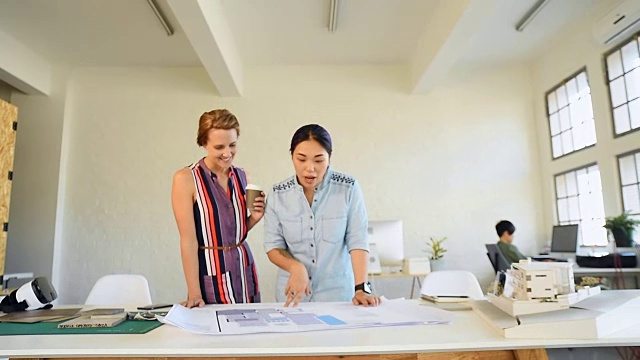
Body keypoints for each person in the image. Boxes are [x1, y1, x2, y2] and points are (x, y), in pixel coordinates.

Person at [264, 124, 380, 308]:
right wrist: (296, 267)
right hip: (293, 298)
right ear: (292, 156)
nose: (310, 169)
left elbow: (358, 240)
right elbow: (273, 246)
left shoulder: (348, 188)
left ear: (329, 158)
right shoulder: (278, 194)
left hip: (338, 296)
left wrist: (362, 288)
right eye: (301, 159)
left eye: (319, 160)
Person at [171, 109, 264, 308]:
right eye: (219, 147)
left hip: (243, 267)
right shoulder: (186, 179)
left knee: (251, 330)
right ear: (204, 144)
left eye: (232, 145)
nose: (227, 153)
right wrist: (194, 292)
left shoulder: (243, 176)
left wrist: (254, 218)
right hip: (211, 272)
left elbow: (234, 232)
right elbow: (188, 240)